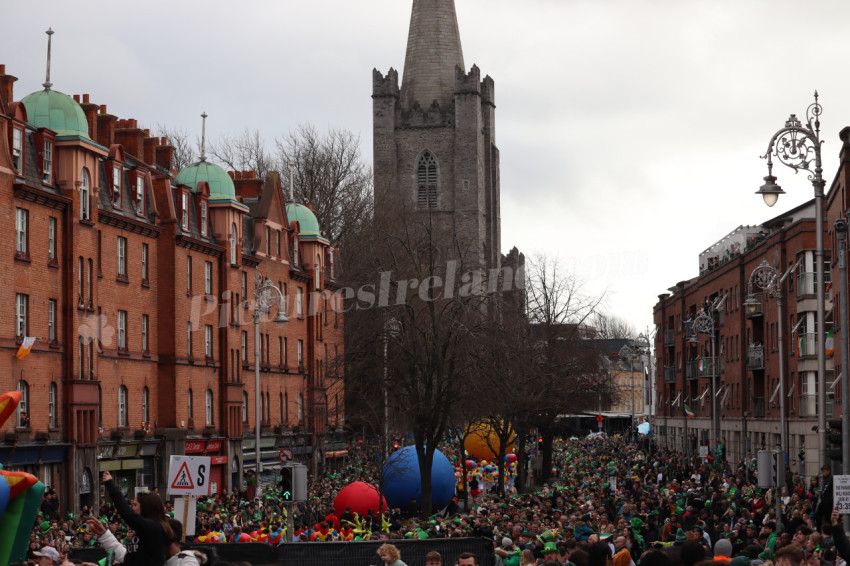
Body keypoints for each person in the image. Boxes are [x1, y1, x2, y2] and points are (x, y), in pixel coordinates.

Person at [102, 471, 173, 566]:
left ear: (146, 507)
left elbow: (127, 514)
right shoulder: (143, 529)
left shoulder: (153, 527)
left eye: (135, 505)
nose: (132, 508)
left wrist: (110, 484)